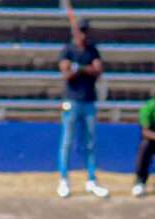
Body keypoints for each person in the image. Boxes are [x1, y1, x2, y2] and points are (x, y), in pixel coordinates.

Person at [56, 19, 109, 199]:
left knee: (90, 143)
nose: (83, 35)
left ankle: (91, 180)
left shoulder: (92, 50)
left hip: (88, 102)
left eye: (85, 31)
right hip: (71, 101)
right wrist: (85, 69)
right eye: (80, 31)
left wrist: (78, 67)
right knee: (67, 142)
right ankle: (64, 179)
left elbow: (98, 70)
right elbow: (67, 73)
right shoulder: (67, 50)